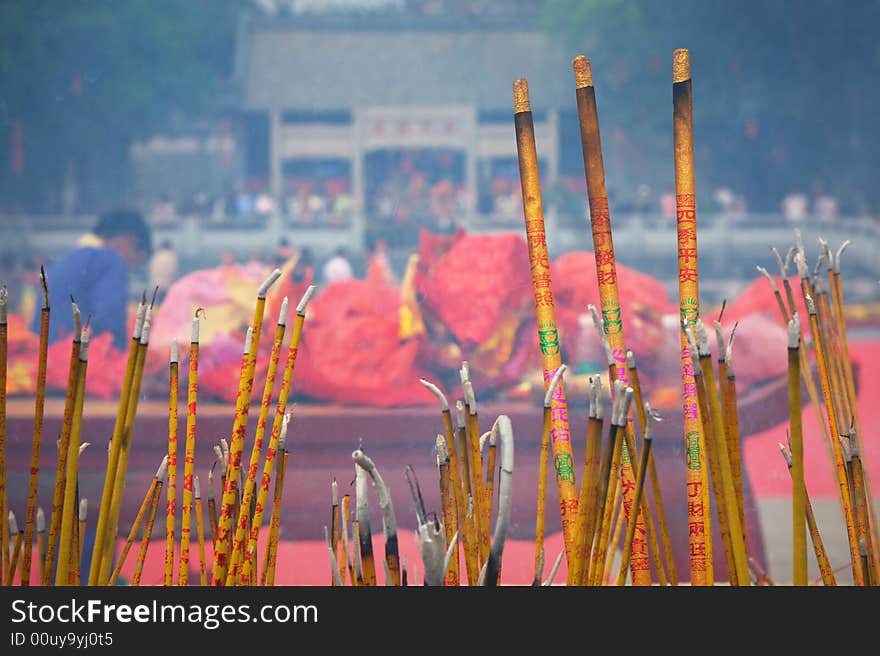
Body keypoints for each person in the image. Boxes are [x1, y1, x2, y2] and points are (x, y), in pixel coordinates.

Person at [35, 208, 151, 349]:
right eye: (137, 260)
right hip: (70, 355)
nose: (131, 267)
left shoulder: (71, 258)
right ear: (130, 240)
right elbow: (109, 317)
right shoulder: (112, 260)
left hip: (41, 350)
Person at [148, 239, 178, 304]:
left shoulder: (156, 256)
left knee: (157, 305)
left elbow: (151, 269)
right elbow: (173, 272)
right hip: (166, 285)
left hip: (155, 284)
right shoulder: (171, 256)